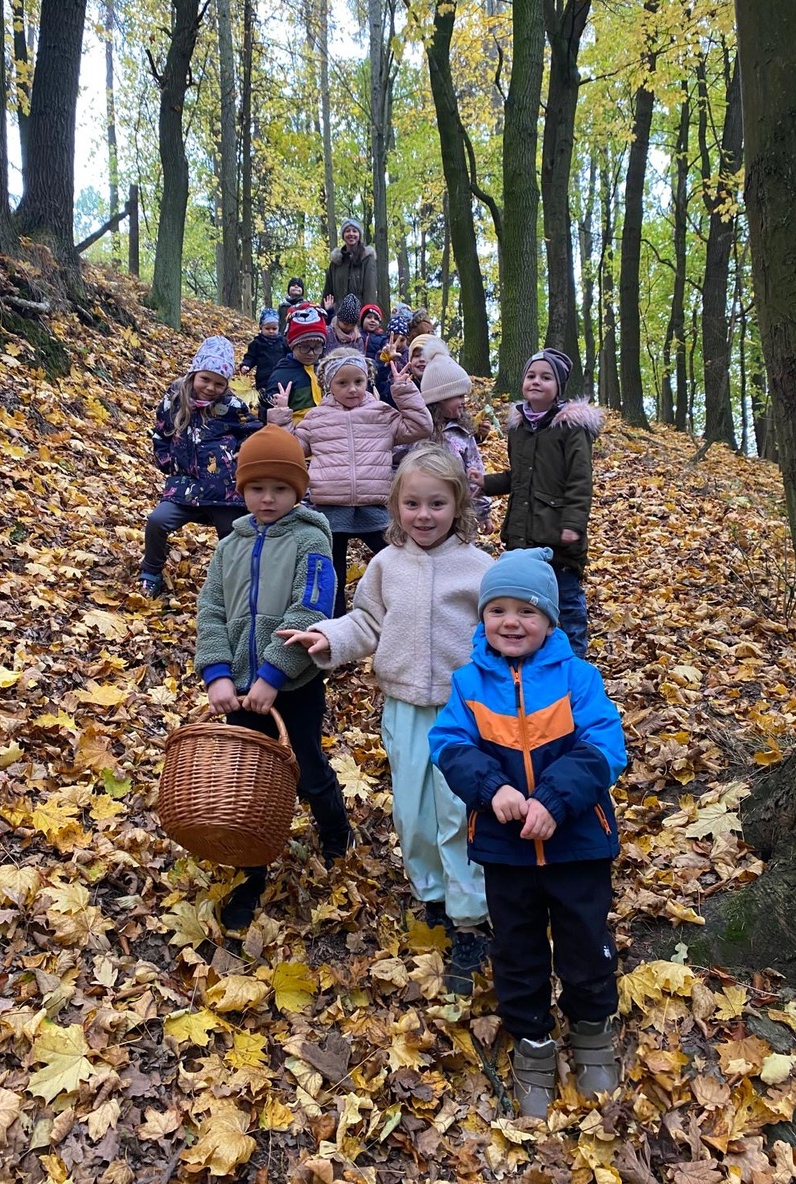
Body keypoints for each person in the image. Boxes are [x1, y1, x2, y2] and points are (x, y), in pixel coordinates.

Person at [279, 444, 494, 993]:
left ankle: (471, 916)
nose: (424, 515)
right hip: (404, 705)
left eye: (437, 504)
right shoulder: (385, 565)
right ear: (395, 506)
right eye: (412, 503)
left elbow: (502, 631)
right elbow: (367, 622)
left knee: (459, 809)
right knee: (414, 810)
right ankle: (432, 897)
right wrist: (327, 637)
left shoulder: (480, 567)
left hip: (465, 711)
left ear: (458, 505)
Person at [429, 547, 626, 1119]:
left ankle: (592, 1031)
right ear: (482, 617)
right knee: (516, 949)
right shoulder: (468, 683)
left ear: (548, 619)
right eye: (498, 610)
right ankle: (532, 1041)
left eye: (526, 611)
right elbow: (449, 744)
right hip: (505, 847)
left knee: (585, 943)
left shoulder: (577, 678)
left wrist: (555, 801)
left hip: (577, 845)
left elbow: (606, 746)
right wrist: (493, 789)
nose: (511, 622)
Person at [194, 424, 353, 931]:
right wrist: (217, 673)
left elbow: (311, 609)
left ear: (298, 491)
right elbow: (211, 610)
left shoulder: (311, 541)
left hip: (293, 686)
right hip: (237, 690)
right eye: (257, 488)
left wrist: (272, 675)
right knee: (246, 778)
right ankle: (252, 867)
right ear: (242, 490)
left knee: (305, 765)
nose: (268, 498)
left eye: (280, 488)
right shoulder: (229, 546)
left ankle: (335, 831)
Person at [267, 345, 432, 617]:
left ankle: (403, 612)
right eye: (342, 383)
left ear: (367, 380)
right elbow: (290, 448)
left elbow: (420, 427)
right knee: (332, 574)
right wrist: (282, 415)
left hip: (374, 505)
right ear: (328, 385)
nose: (352, 389)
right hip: (330, 508)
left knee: (398, 558)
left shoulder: (381, 413)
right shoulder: (316, 417)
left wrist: (404, 391)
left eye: (358, 381)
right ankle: (334, 625)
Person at [473, 349, 602, 658]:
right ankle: (532, 655)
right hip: (524, 533)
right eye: (531, 376)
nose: (536, 382)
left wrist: (572, 524)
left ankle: (574, 659)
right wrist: (486, 483)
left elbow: (580, 481)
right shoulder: (520, 428)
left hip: (557, 534)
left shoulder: (571, 428)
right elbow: (519, 476)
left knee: (565, 598)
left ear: (558, 387)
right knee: (527, 598)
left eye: (546, 377)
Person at [140, 336, 260, 598]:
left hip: (224, 490)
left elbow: (255, 431)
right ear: (194, 373)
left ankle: (234, 583)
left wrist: (242, 454)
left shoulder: (232, 407)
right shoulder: (174, 401)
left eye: (219, 383)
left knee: (233, 533)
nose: (210, 388)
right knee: (157, 521)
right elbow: (160, 434)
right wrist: (167, 462)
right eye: (205, 379)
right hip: (185, 486)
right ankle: (151, 571)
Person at [418, 340, 492, 529]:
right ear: (439, 399)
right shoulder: (418, 432)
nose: (464, 401)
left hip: (458, 514)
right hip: (422, 513)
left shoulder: (462, 433)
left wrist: (483, 512)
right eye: (459, 396)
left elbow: (476, 473)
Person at [261, 304, 328, 422]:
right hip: (294, 429)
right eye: (305, 347)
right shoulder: (282, 374)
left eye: (317, 347)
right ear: (293, 346)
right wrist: (277, 408)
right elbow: (266, 413)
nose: (311, 353)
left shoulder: (323, 370)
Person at [322, 218, 378, 313]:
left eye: (354, 231)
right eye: (347, 231)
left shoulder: (367, 259)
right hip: (338, 314)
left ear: (359, 235)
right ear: (343, 235)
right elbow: (328, 293)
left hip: (359, 314)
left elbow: (370, 291)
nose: (351, 234)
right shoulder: (336, 263)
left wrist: (368, 314)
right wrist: (323, 313)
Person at [240, 308, 286, 393]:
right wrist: (246, 365)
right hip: (263, 380)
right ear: (261, 327)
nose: (271, 331)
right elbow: (250, 357)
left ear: (278, 328)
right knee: (264, 397)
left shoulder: (283, 342)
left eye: (274, 328)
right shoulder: (257, 343)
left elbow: (290, 355)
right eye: (267, 328)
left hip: (281, 377)